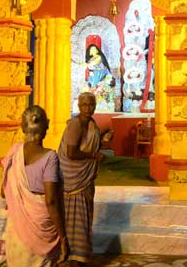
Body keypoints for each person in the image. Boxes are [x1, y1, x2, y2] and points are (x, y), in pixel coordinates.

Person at [1, 106, 69, 267]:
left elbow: (4, 192)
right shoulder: (50, 157)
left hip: (17, 228)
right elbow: (51, 201)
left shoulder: (14, 152)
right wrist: (63, 237)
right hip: (43, 229)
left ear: (23, 127)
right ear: (47, 125)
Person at [58, 92, 113, 266]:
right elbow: (71, 153)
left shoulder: (91, 124)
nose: (88, 108)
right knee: (75, 218)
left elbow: (89, 144)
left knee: (84, 217)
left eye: (91, 105)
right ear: (79, 106)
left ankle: (80, 255)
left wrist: (103, 140)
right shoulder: (75, 124)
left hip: (84, 180)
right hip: (73, 179)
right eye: (84, 105)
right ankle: (74, 255)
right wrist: (94, 155)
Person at [82, 45, 115, 110]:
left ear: (97, 50)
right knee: (90, 86)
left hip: (101, 73)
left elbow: (94, 63)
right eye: (91, 50)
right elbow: (89, 66)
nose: (93, 50)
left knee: (97, 87)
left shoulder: (98, 57)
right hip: (94, 74)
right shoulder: (90, 59)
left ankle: (100, 100)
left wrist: (85, 64)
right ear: (89, 52)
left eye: (94, 49)